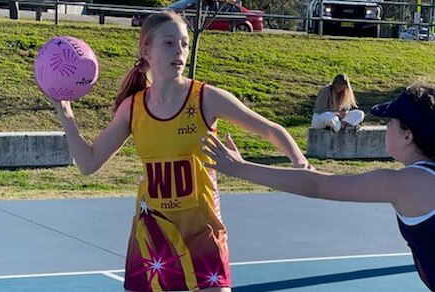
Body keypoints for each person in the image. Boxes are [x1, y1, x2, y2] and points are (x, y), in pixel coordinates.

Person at [52, 11, 310, 292]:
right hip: (153, 238)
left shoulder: (206, 98)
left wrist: (300, 162)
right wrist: (67, 115)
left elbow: (271, 129)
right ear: (145, 50)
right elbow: (88, 163)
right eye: (169, 43)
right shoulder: (133, 108)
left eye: (185, 43)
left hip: (203, 234)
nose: (180, 50)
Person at [201, 84, 435, 290]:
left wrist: (239, 168)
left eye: (390, 122)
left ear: (407, 136)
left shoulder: (403, 183)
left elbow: (316, 186)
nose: (387, 127)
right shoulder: (417, 179)